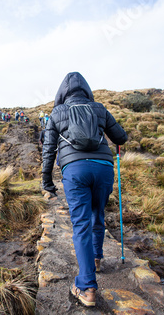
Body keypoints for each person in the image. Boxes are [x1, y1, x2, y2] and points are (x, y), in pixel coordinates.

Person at [42, 72, 127, 307]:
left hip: (75, 171)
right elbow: (121, 137)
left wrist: (46, 180)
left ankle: (87, 287)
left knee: (81, 224)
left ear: (62, 92)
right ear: (86, 90)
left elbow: (49, 150)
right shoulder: (99, 108)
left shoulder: (57, 113)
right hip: (103, 169)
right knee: (97, 214)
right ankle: (97, 258)